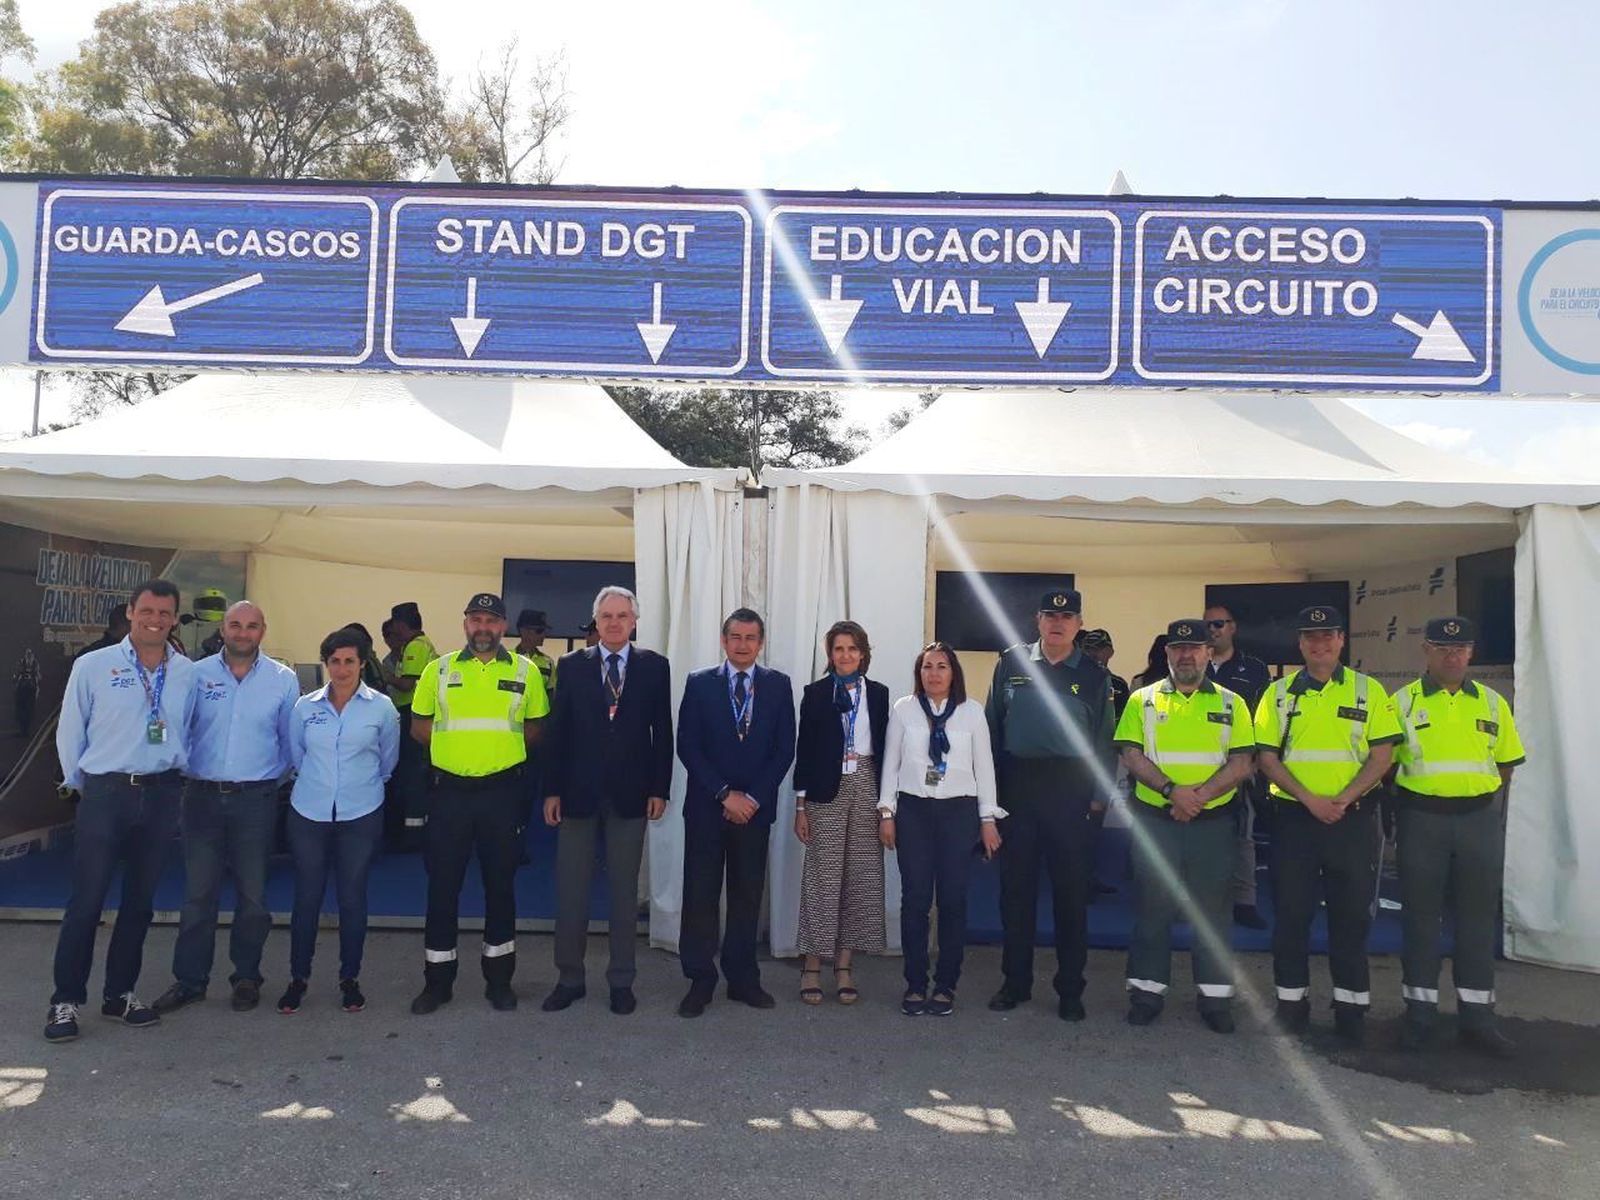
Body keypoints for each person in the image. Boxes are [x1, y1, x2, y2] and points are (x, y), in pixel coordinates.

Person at [46, 579, 199, 1043]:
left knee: (140, 903)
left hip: (160, 794)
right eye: (147, 611)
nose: (155, 619)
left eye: (165, 613)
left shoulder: (187, 672)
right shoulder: (94, 665)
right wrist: (80, 783)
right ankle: (65, 1001)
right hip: (106, 793)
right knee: (86, 902)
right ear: (130, 613)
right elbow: (71, 728)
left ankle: (120, 994)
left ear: (174, 618)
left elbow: (187, 728)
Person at [1255, 605, 1402, 1045]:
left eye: (1328, 636)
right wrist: (1310, 800)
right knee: (1291, 916)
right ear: (1300, 644)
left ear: (1341, 641)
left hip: (1352, 822)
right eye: (1310, 637)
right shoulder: (1278, 694)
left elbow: (1383, 756)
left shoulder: (1369, 691)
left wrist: (1343, 799)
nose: (1319, 644)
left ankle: (1352, 1009)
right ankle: (1291, 1006)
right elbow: (1266, 758)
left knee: (1351, 917)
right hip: (1296, 821)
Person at [151, 602, 299, 1016]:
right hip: (200, 797)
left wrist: (272, 782)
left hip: (257, 799)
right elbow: (177, 728)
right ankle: (190, 981)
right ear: (224, 628)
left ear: (263, 630)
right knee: (198, 896)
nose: (242, 632)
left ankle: (247, 977)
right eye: (235, 624)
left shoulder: (282, 680)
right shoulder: (195, 675)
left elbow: (291, 741)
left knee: (254, 897)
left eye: (252, 626)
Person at [1390, 616, 1526, 1057]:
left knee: (1476, 920)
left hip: (1477, 821)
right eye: (1442, 648)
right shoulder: (1401, 703)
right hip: (1422, 820)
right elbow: (1384, 765)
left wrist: (1476, 799)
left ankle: (1478, 1019)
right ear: (1426, 651)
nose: (1452, 656)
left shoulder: (1491, 702)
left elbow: (1505, 764)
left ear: (1470, 653)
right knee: (1421, 921)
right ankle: (1420, 1016)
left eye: (1461, 649)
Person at [408, 593, 549, 1014]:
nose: (482, 627)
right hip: (449, 794)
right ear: (465, 623)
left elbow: (536, 728)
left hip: (502, 795)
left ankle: (499, 981)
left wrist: (496, 756)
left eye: (491, 620)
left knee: (501, 887)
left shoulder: (527, 672)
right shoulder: (439, 669)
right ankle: (437, 983)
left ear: (503, 625)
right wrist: (459, 755)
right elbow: (419, 726)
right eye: (475, 619)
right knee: (442, 888)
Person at [1114, 620, 1256, 1034]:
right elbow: (1130, 753)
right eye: (1178, 648)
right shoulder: (1142, 700)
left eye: (1195, 647)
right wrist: (1174, 791)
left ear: (1209, 653)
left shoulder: (1232, 703)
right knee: (1152, 907)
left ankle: (1214, 999)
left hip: (1211, 823)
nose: (1186, 655)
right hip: (1157, 820)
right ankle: (1146, 993)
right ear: (1168, 654)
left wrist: (1198, 797)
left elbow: (1242, 762)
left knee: (1212, 911)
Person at [985, 589, 1117, 1021]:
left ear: (1079, 624)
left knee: (1070, 896)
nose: (1058, 623)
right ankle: (1014, 982)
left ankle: (1070, 989)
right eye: (1049, 615)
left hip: (1070, 788)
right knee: (1015, 894)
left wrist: (1099, 799)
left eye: (1067, 616)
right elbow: (992, 730)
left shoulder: (1095, 677)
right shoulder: (1011, 663)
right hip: (1019, 787)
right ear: (1037, 621)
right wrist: (991, 799)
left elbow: (1104, 742)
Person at [541, 587, 672, 1016]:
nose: (614, 623)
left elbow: (662, 734)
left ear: (635, 621)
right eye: (606, 616)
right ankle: (569, 978)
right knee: (572, 892)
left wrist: (659, 789)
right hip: (577, 794)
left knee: (622, 893)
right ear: (594, 622)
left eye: (622, 616)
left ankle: (621, 981)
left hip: (631, 796)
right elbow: (557, 733)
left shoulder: (655, 667)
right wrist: (552, 790)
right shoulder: (571, 666)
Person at [675, 607, 796, 1018]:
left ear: (760, 643)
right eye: (735, 637)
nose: (742, 645)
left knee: (747, 895)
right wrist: (726, 794)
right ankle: (700, 979)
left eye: (750, 638)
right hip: (709, 808)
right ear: (723, 641)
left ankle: (743, 979)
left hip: (755, 812)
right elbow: (687, 745)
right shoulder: (700, 684)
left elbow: (784, 750)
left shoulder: (778, 686)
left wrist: (753, 799)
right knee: (701, 895)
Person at [277, 628, 401, 1015]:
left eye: (350, 661)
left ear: (362, 663)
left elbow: (388, 761)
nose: (342, 669)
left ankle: (350, 979)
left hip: (360, 813)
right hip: (309, 813)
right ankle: (298, 978)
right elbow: (295, 755)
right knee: (307, 898)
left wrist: (359, 789)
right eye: (335, 661)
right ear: (326, 663)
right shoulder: (304, 707)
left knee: (352, 899)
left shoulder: (381, 708)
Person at [878, 642, 1001, 1016]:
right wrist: (886, 812)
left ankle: (946, 985)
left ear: (953, 673)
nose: (934, 673)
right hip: (913, 811)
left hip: (958, 814)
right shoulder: (904, 710)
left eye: (942, 666)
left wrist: (988, 820)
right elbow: (891, 763)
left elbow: (986, 769)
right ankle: (915, 983)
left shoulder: (972, 712)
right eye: (927, 666)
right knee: (915, 900)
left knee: (952, 901)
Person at [792, 620, 889, 1005]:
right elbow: (805, 751)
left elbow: (887, 750)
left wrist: (887, 808)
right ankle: (812, 966)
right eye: (838, 649)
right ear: (829, 654)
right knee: (823, 876)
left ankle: (844, 966)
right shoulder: (815, 694)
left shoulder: (879, 695)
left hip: (867, 783)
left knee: (859, 876)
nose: (845, 655)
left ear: (863, 653)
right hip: (824, 789)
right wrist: (801, 806)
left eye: (852, 649)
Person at [1204, 603, 1274, 931]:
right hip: (1198, 768)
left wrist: (1256, 761)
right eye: (1208, 624)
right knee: (1195, 836)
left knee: (1243, 836)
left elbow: (1266, 719)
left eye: (1220, 624)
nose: (1213, 630)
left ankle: (1244, 903)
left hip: (1241, 768)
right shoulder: (1191, 663)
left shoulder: (1255, 669)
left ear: (1233, 627)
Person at [382, 602, 436, 851]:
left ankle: (412, 836)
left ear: (402, 625)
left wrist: (385, 676)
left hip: (412, 715)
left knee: (412, 776)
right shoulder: (423, 645)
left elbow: (406, 685)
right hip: (419, 716)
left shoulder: (415, 646)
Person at [13, 648, 40, 737]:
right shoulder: (21, 662)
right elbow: (16, 675)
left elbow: (38, 676)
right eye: (27, 654)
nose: (29, 656)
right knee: (21, 710)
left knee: (29, 710)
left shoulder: (35, 663)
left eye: (30, 655)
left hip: (31, 689)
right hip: (22, 689)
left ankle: (27, 729)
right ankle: (22, 729)